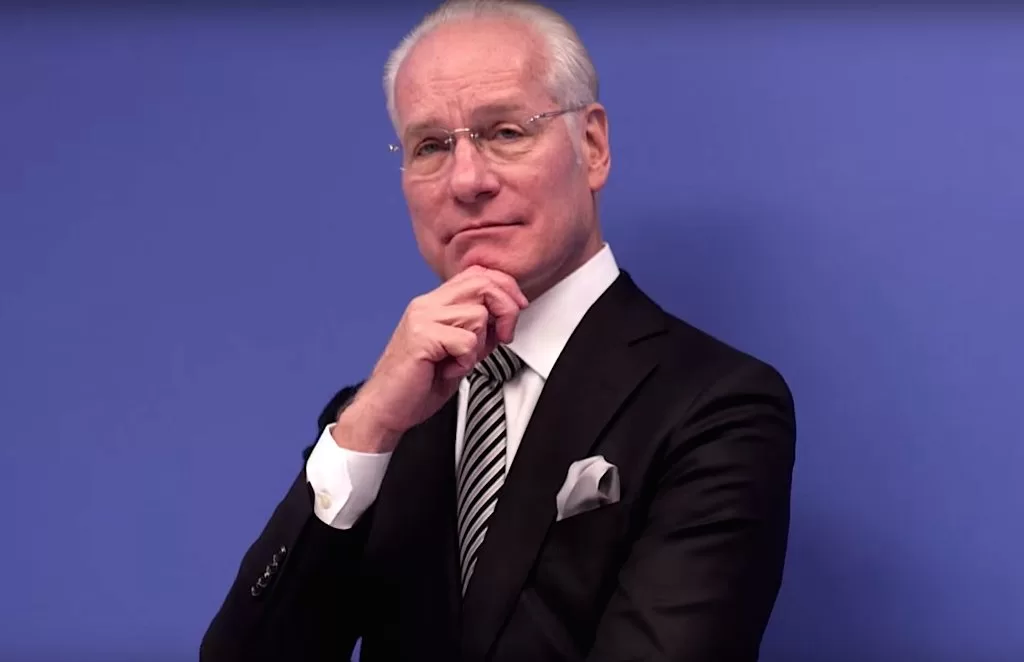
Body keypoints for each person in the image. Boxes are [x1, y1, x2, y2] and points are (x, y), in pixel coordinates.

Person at [200, 1, 796, 660]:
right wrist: (364, 429)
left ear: (592, 147)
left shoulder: (716, 404)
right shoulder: (377, 418)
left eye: (506, 132)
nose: (467, 181)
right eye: (430, 145)